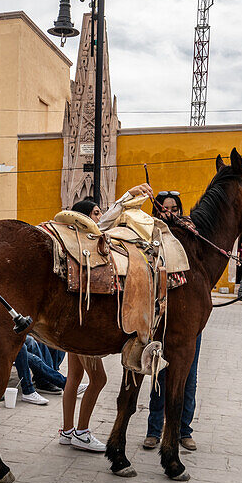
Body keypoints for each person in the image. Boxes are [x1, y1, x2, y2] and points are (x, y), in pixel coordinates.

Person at [59, 183, 153, 453]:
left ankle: (67, 430)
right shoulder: (90, 239)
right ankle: (82, 432)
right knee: (98, 379)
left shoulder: (77, 246)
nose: (101, 217)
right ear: (87, 218)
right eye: (97, 213)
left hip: (71, 322)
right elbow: (112, 216)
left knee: (74, 378)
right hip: (83, 321)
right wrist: (126, 197)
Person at [142, 190, 201, 451]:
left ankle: (182, 430)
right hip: (161, 318)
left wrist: (181, 224)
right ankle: (154, 430)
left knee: (189, 379)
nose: (171, 213)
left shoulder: (189, 230)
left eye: (174, 208)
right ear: (158, 211)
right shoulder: (151, 233)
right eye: (165, 209)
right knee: (160, 377)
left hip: (188, 319)